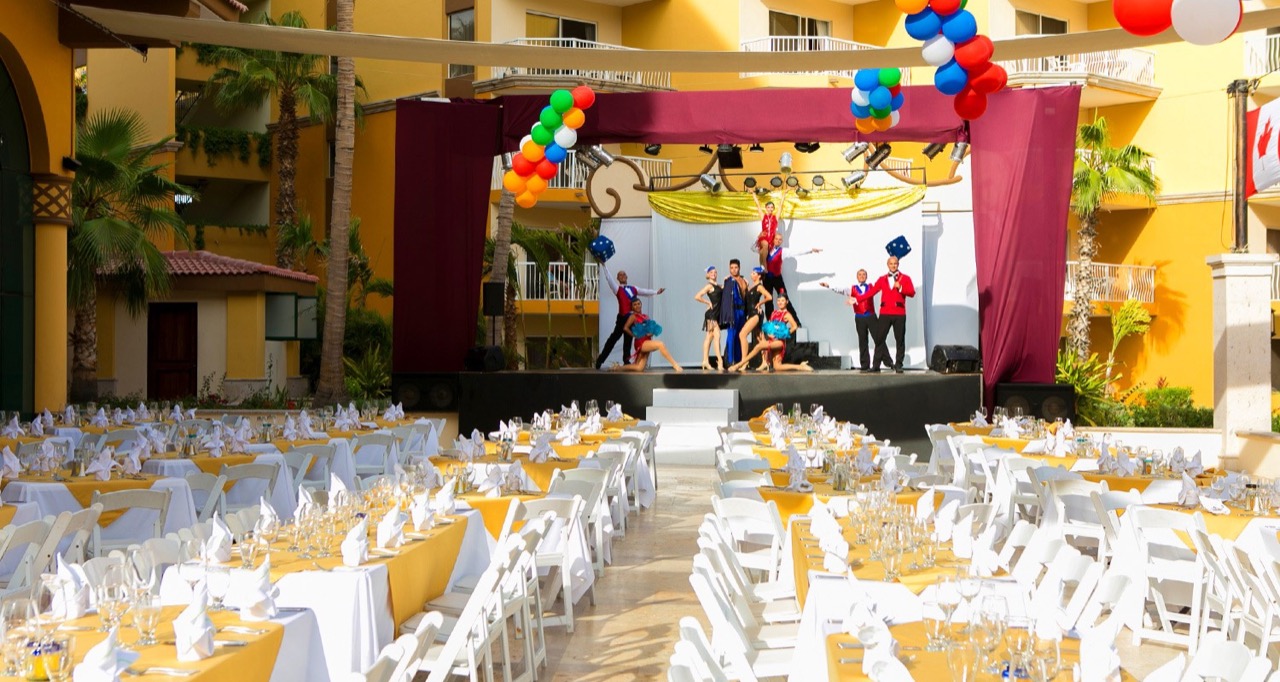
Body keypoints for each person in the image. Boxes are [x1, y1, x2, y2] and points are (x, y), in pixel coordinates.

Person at [594, 261, 664, 369]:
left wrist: (656, 292)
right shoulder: (617, 288)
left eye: (623, 274)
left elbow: (644, 291)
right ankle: (600, 360)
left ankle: (626, 361)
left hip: (631, 319)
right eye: (620, 275)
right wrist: (604, 266)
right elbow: (609, 279)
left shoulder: (633, 288)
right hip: (622, 318)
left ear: (626, 277)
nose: (622, 276)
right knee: (612, 340)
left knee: (628, 341)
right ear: (617, 278)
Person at [729, 293, 813, 373]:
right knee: (777, 366)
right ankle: (800, 367)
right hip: (771, 340)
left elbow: (795, 326)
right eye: (778, 300)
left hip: (779, 342)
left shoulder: (786, 314)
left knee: (758, 346)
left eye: (782, 300)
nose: (780, 302)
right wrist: (768, 333)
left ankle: (739, 364)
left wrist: (782, 335)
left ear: (787, 302)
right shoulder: (774, 312)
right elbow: (770, 326)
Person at [858, 255, 915, 373]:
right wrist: (857, 299)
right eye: (891, 263)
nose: (893, 266)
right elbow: (872, 292)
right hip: (885, 313)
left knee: (900, 340)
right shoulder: (882, 279)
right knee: (879, 339)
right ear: (888, 265)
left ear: (898, 265)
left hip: (899, 313)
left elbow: (912, 292)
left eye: (895, 263)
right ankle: (876, 366)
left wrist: (901, 288)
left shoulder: (905, 278)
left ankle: (898, 364)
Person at [820, 269, 877, 371]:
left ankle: (885, 362)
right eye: (860, 274)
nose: (862, 276)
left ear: (866, 276)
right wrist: (829, 286)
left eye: (864, 274)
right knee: (862, 341)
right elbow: (840, 290)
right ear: (857, 277)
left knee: (878, 339)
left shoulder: (871, 287)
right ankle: (865, 365)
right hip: (859, 317)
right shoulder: (852, 288)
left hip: (871, 316)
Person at [762, 231, 820, 323]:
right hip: (767, 279)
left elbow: (796, 252)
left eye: (780, 240)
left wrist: (810, 250)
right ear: (773, 239)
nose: (778, 241)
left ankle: (796, 321)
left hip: (777, 278)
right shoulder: (766, 249)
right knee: (768, 301)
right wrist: (759, 238)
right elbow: (753, 248)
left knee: (785, 298)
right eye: (776, 239)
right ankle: (770, 322)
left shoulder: (783, 251)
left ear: (781, 241)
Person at [613, 299, 684, 372]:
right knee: (660, 344)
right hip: (641, 342)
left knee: (639, 368)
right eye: (635, 305)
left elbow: (651, 328)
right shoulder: (633, 316)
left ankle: (618, 368)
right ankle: (675, 365)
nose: (637, 306)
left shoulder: (645, 316)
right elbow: (625, 328)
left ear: (641, 304)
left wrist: (651, 333)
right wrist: (634, 335)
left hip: (647, 341)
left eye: (638, 304)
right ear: (632, 307)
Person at [737, 267, 773, 372]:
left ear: (759, 276)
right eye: (752, 273)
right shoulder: (752, 286)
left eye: (754, 273)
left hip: (755, 314)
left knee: (742, 334)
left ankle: (744, 361)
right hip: (751, 313)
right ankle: (765, 361)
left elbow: (769, 297)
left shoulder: (759, 286)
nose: (751, 275)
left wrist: (760, 303)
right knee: (760, 338)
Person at [693, 266, 726, 371]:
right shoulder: (709, 286)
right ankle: (720, 361)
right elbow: (697, 296)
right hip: (711, 315)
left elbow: (725, 288)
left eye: (715, 272)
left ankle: (705, 361)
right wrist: (707, 302)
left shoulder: (718, 286)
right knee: (717, 335)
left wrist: (727, 279)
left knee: (709, 337)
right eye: (711, 272)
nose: (714, 274)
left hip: (715, 314)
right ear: (708, 274)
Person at [751, 186, 793, 267]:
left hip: (771, 239)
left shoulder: (775, 217)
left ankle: (762, 267)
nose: (770, 209)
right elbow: (758, 205)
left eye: (771, 207)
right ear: (766, 208)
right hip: (764, 237)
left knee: (763, 252)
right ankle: (764, 266)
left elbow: (780, 206)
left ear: (773, 209)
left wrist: (784, 194)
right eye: (768, 207)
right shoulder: (763, 216)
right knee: (765, 245)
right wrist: (753, 194)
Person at [718, 259, 750, 365]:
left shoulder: (744, 280)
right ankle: (730, 361)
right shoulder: (729, 281)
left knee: (740, 335)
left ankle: (739, 360)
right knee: (731, 335)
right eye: (731, 268)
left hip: (742, 311)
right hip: (733, 311)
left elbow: (747, 296)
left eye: (735, 267)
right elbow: (724, 296)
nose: (733, 270)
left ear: (739, 268)